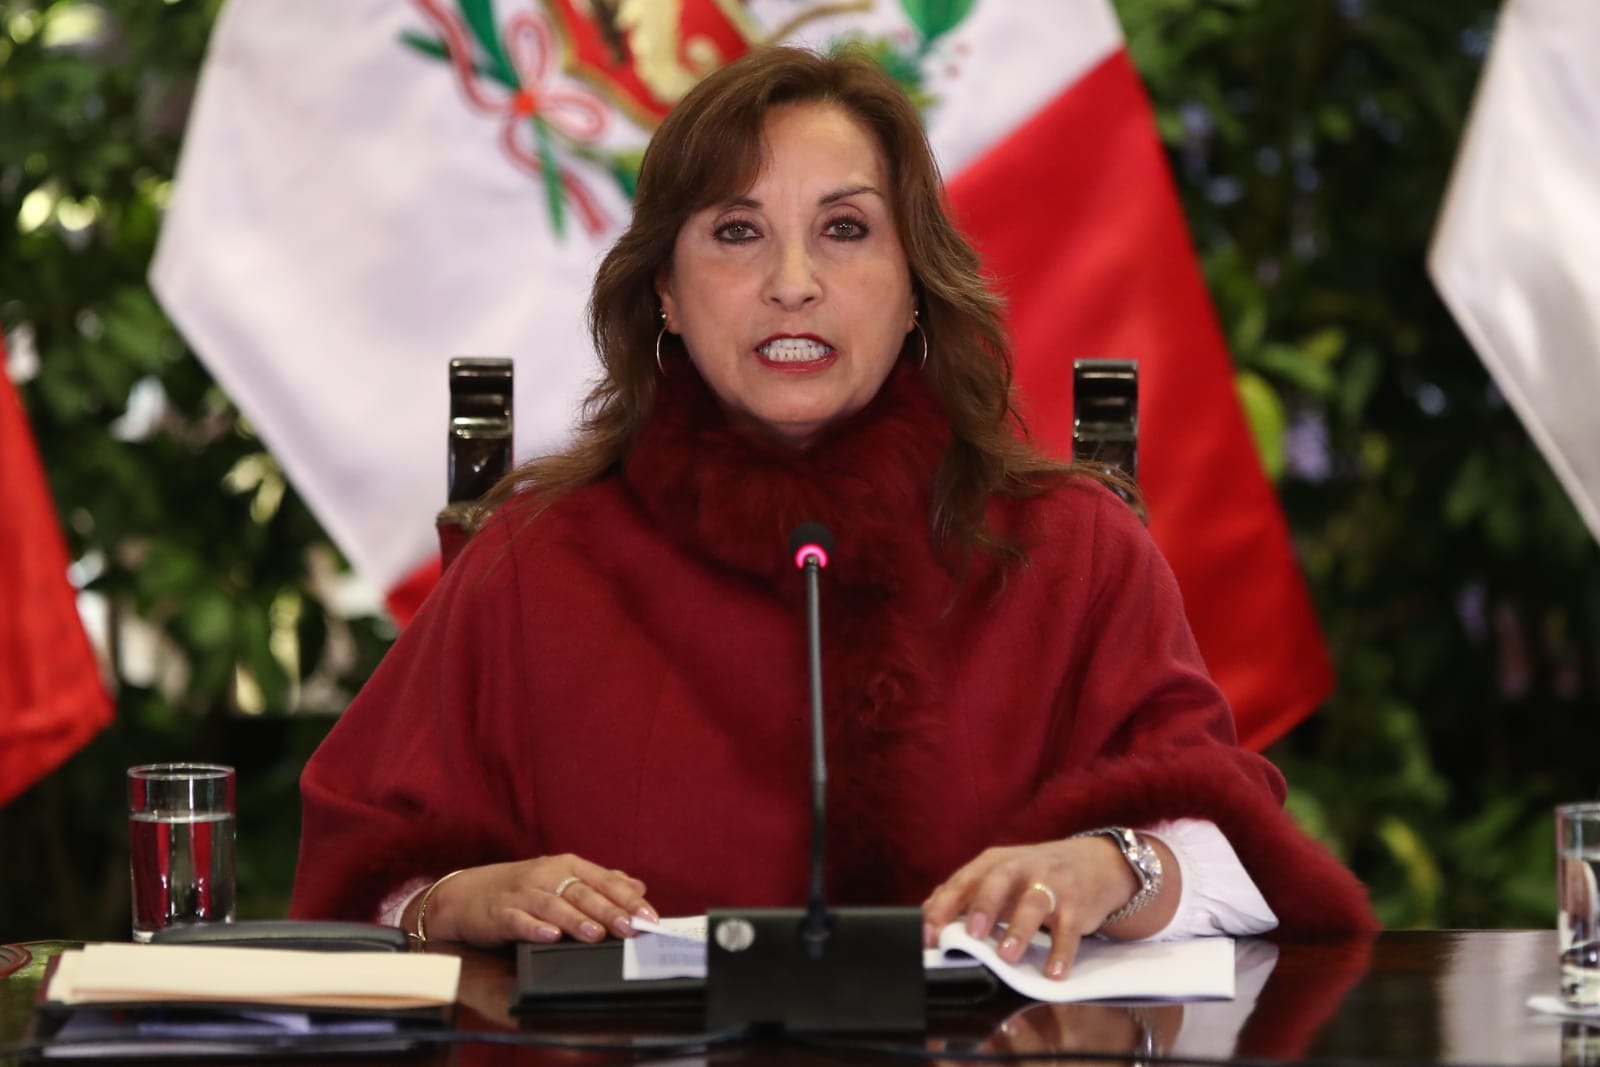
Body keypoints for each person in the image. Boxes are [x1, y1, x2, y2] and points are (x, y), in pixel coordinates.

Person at [290, 45, 1375, 980]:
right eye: (735, 232)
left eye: (846, 229)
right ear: (663, 290)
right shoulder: (534, 560)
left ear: (915, 286)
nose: (792, 282)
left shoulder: (1071, 546)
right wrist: (454, 903)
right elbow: (359, 867)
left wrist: (1109, 867)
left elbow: (1243, 855)